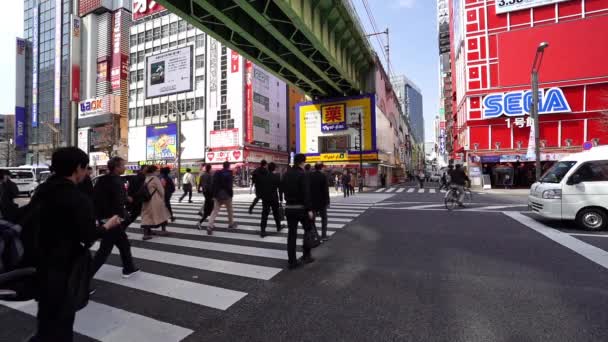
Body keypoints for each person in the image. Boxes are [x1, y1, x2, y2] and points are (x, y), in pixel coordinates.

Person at [31, 147, 122, 342]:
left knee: (46, 319)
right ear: (77, 168)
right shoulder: (77, 198)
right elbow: (87, 236)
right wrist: (106, 226)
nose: (86, 172)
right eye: (85, 168)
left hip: (40, 263)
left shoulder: (42, 191)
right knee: (62, 322)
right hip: (65, 266)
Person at [91, 157, 139, 279]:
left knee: (124, 244)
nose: (125, 168)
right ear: (117, 167)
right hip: (113, 219)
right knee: (104, 250)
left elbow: (96, 198)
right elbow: (119, 201)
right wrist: (121, 214)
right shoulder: (116, 181)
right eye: (123, 166)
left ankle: (129, 268)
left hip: (104, 216)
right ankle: (84, 278)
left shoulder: (102, 180)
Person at [281, 153, 314, 269]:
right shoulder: (302, 174)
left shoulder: (286, 174)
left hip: (289, 208)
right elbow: (306, 193)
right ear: (302, 162)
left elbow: (282, 189)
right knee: (308, 230)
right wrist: (309, 209)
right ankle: (306, 255)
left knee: (292, 235)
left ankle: (292, 261)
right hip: (301, 208)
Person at [140, 165, 171, 240]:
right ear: (153, 171)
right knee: (162, 215)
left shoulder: (146, 178)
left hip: (146, 200)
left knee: (146, 216)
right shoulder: (155, 179)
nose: (158, 172)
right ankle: (163, 230)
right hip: (155, 200)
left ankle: (146, 234)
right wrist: (163, 198)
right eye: (157, 170)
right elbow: (161, 191)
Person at [207, 161, 237, 235]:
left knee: (215, 211)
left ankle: (209, 226)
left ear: (223, 166)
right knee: (229, 210)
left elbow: (213, 184)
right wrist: (230, 193)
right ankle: (231, 224)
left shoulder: (217, 173)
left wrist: (214, 194)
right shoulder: (230, 173)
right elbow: (230, 185)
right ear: (228, 166)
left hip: (218, 195)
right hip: (227, 195)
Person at [256, 162, 283, 238]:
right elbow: (280, 189)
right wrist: (281, 199)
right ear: (274, 168)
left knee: (264, 214)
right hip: (274, 198)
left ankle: (263, 230)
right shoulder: (276, 177)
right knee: (276, 213)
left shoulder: (263, 177)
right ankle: (278, 226)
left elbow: (260, 187)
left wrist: (260, 196)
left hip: (265, 198)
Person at [310, 163, 330, 241]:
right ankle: (323, 235)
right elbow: (326, 190)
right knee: (324, 218)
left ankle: (315, 235)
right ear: (321, 168)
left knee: (312, 220)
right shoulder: (323, 176)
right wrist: (328, 202)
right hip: (322, 201)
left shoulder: (310, 176)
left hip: (313, 201)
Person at [197, 164, 214, 230]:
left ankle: (211, 223)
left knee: (210, 209)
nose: (211, 170)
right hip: (209, 194)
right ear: (209, 169)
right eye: (211, 168)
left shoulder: (202, 175)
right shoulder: (210, 176)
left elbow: (200, 184)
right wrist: (213, 194)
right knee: (209, 210)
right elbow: (211, 186)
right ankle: (200, 222)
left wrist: (199, 190)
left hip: (205, 193)